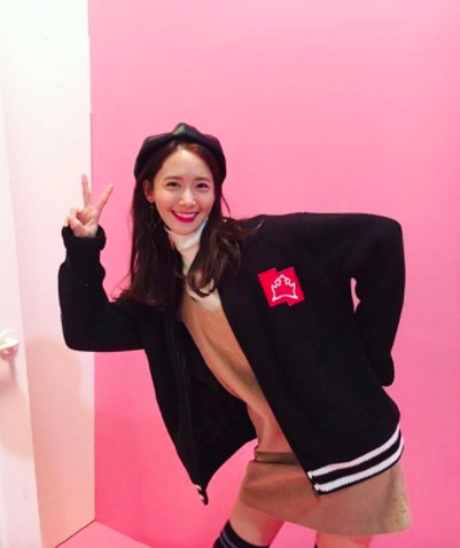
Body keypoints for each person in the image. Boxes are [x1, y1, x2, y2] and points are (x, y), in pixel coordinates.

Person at [59, 122, 411, 548]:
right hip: (280, 452)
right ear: (149, 191)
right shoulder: (166, 290)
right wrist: (83, 248)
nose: (188, 200)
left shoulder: (268, 243)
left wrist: (370, 362)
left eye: (201, 186)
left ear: (215, 192)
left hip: (349, 444)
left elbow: (381, 238)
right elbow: (89, 331)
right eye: (173, 184)